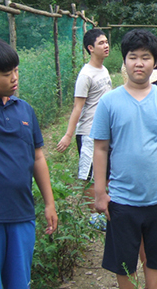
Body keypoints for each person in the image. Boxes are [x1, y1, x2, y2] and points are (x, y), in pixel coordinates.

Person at [91, 29, 157, 289]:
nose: (139, 63)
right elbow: (101, 149)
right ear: (124, 61)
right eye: (132, 57)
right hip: (122, 201)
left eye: (145, 57)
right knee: (124, 265)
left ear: (154, 61)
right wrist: (100, 192)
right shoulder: (109, 102)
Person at [0, 38, 58, 288]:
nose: (15, 77)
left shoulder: (24, 110)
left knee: (19, 282)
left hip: (21, 214)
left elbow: (38, 156)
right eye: (7, 74)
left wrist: (49, 203)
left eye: (16, 70)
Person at [56, 28, 112, 230]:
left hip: (105, 131)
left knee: (104, 172)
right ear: (90, 48)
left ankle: (104, 210)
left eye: (106, 42)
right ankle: (93, 217)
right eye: (101, 43)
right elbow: (78, 107)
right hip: (89, 132)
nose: (106, 46)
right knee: (90, 175)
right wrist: (68, 135)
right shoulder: (85, 75)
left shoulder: (103, 70)